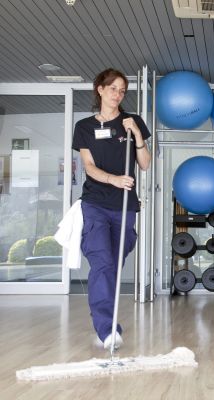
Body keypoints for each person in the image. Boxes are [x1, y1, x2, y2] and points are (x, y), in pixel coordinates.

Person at [72, 68, 151, 349]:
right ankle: (107, 330)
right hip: (95, 204)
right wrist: (114, 179)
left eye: (122, 90)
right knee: (103, 263)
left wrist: (137, 135)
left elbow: (144, 164)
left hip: (125, 206)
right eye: (113, 88)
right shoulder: (84, 126)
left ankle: (105, 321)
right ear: (100, 90)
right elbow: (89, 167)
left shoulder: (133, 122)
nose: (118, 94)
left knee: (113, 264)